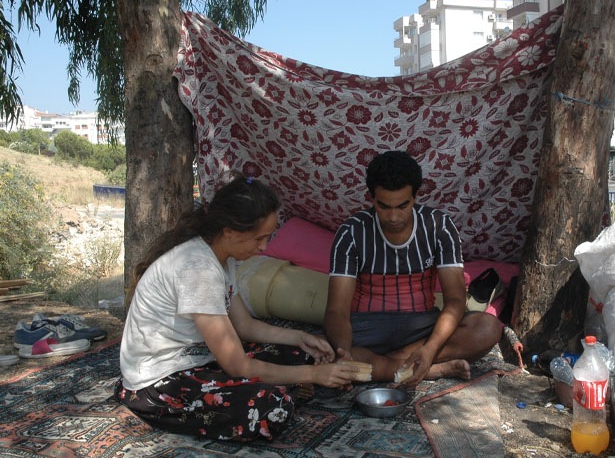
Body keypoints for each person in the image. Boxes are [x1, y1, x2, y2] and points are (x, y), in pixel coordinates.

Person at [115, 176, 359, 441]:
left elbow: (245, 326)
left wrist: (301, 338)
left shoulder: (223, 259)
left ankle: (287, 384)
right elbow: (236, 364)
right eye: (258, 239)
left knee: (301, 354)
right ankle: (284, 389)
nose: (264, 248)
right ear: (229, 231)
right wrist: (314, 375)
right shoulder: (198, 270)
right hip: (159, 383)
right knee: (269, 405)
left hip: (198, 361)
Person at [324, 151, 503, 386]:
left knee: (487, 328)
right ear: (371, 198)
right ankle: (427, 369)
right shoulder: (352, 232)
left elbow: (456, 301)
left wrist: (429, 348)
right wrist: (344, 353)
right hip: (366, 331)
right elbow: (337, 312)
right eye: (384, 206)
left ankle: (386, 366)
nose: (394, 216)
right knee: (317, 353)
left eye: (403, 205)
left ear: (416, 196)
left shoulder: (439, 227)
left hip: (421, 330)